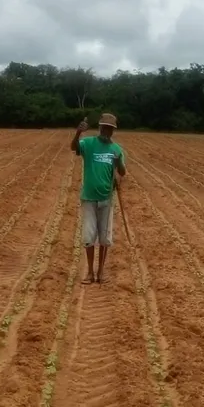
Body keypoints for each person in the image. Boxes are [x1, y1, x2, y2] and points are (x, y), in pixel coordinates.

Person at [70, 112, 127, 284]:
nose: (106, 131)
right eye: (104, 127)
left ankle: (101, 272)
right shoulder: (88, 143)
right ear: (100, 127)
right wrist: (78, 132)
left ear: (113, 131)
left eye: (110, 129)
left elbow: (122, 173)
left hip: (107, 199)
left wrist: (118, 164)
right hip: (89, 198)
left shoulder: (116, 150)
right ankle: (89, 272)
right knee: (88, 236)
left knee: (104, 237)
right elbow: (74, 148)